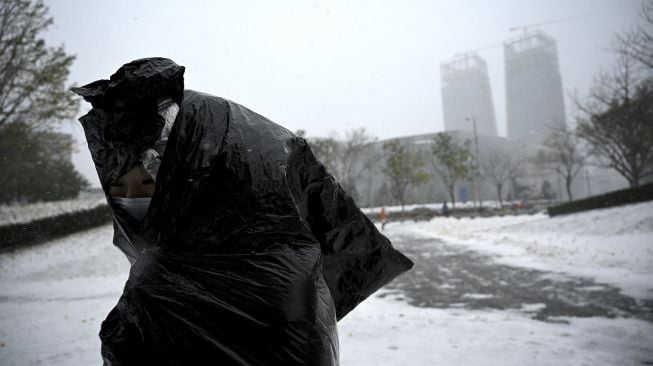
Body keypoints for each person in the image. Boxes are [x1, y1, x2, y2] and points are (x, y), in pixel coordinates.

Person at [72, 57, 413, 366]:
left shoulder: (160, 285)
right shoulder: (289, 273)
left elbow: (136, 216)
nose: (148, 164)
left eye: (156, 153)